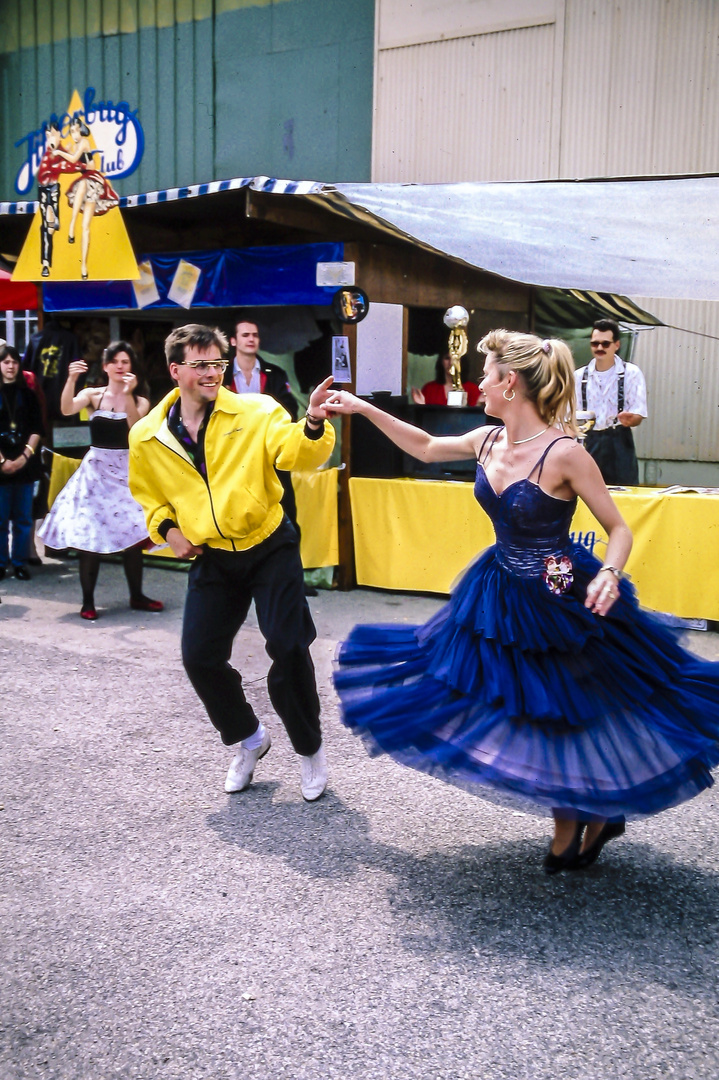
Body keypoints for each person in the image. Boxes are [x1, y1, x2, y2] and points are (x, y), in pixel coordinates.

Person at [327, 330, 719, 874]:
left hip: (558, 594)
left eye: (485, 374)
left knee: (566, 708)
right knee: (512, 703)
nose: (478, 383)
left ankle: (583, 816)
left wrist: (609, 572)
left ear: (509, 382)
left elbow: (618, 529)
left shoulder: (566, 454)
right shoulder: (487, 441)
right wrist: (360, 408)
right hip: (498, 591)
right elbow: (423, 445)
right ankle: (584, 816)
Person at [128, 324, 336, 801]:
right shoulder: (147, 436)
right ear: (174, 368)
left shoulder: (258, 409)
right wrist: (169, 530)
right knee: (199, 657)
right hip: (213, 556)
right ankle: (249, 739)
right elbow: (149, 496)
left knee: (287, 645)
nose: (211, 373)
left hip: (269, 545)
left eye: (217, 363)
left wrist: (313, 423)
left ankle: (310, 750)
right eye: (200, 364)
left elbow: (296, 453)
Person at [37, 341, 163, 620]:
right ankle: (88, 602)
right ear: (105, 367)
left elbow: (135, 428)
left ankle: (137, 595)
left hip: (127, 471)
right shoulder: (94, 394)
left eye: (125, 362)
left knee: (133, 535)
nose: (120, 366)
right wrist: (71, 378)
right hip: (95, 472)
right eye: (115, 362)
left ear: (132, 367)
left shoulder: (140, 399)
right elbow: (67, 408)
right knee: (88, 537)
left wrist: (129, 394)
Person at [224, 318, 315, 593]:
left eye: (255, 335)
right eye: (245, 335)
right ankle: (237, 580)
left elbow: (289, 411)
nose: (251, 339)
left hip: (272, 456)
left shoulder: (274, 373)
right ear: (233, 341)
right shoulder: (222, 375)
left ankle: (293, 580)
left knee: (287, 514)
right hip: (233, 459)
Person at [574, 319, 647, 485]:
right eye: (595, 344)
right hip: (588, 441)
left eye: (605, 344)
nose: (599, 348)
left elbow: (639, 413)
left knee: (625, 492)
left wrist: (631, 419)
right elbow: (572, 416)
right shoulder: (579, 377)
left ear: (617, 345)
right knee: (586, 491)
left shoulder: (631, 373)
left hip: (619, 441)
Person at [53, 115, 120, 280]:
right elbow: (75, 162)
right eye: (72, 131)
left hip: (92, 180)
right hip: (85, 179)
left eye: (76, 130)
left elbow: (75, 159)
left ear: (81, 130)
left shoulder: (84, 142)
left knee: (86, 226)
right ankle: (71, 227)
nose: (75, 134)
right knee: (80, 187)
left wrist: (60, 152)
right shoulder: (77, 145)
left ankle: (83, 264)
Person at [0, 346, 44, 580]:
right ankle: (1, 562)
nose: (10, 366)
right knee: (0, 519)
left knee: (23, 518)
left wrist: (24, 457)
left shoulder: (27, 394)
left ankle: (19, 562)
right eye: (5, 362)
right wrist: (4, 461)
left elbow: (38, 429)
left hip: (25, 465)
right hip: (1, 467)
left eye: (14, 362)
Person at [411, 352, 481, 406]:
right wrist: (421, 406)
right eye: (447, 358)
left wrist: (479, 404)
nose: (451, 363)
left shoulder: (472, 389)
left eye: (455, 358)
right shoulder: (429, 388)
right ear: (441, 361)